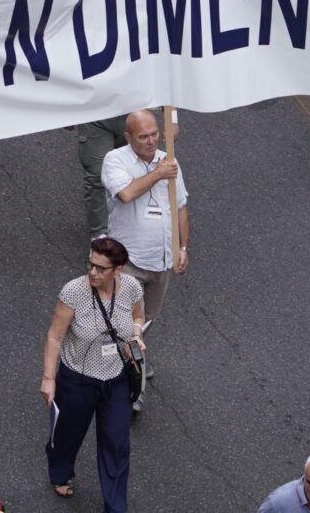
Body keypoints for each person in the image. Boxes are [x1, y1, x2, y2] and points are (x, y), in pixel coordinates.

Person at [40, 236, 144, 505]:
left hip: (117, 378)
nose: (92, 272)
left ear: (117, 270)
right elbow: (54, 336)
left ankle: (115, 506)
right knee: (67, 434)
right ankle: (60, 472)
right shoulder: (73, 292)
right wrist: (49, 378)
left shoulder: (131, 287)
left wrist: (136, 334)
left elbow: (138, 317)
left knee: (117, 444)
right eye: (90, 264)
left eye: (100, 268)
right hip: (78, 379)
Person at [101, 111, 188, 407]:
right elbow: (126, 194)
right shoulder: (115, 161)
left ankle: (125, 358)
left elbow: (181, 205)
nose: (152, 141)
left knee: (147, 320)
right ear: (128, 138)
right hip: (129, 262)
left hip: (160, 262)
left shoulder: (168, 160)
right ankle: (130, 387)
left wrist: (182, 248)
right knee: (128, 325)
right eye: (143, 136)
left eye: (154, 134)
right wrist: (158, 173)